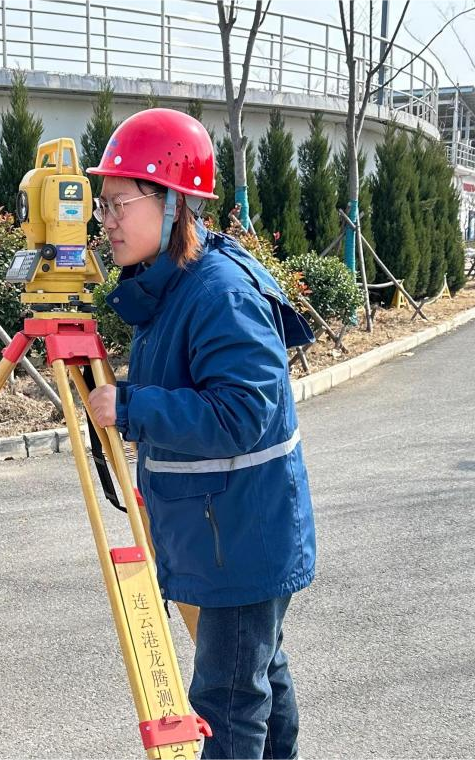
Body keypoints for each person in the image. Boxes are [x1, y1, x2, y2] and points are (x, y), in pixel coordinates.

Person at [84, 108, 317, 760]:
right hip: (226, 530)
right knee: (257, 673)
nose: (105, 222)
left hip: (241, 534)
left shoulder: (218, 293)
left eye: (119, 204)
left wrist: (132, 407)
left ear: (173, 203)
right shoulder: (174, 283)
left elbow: (242, 413)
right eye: (102, 205)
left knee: (228, 699)